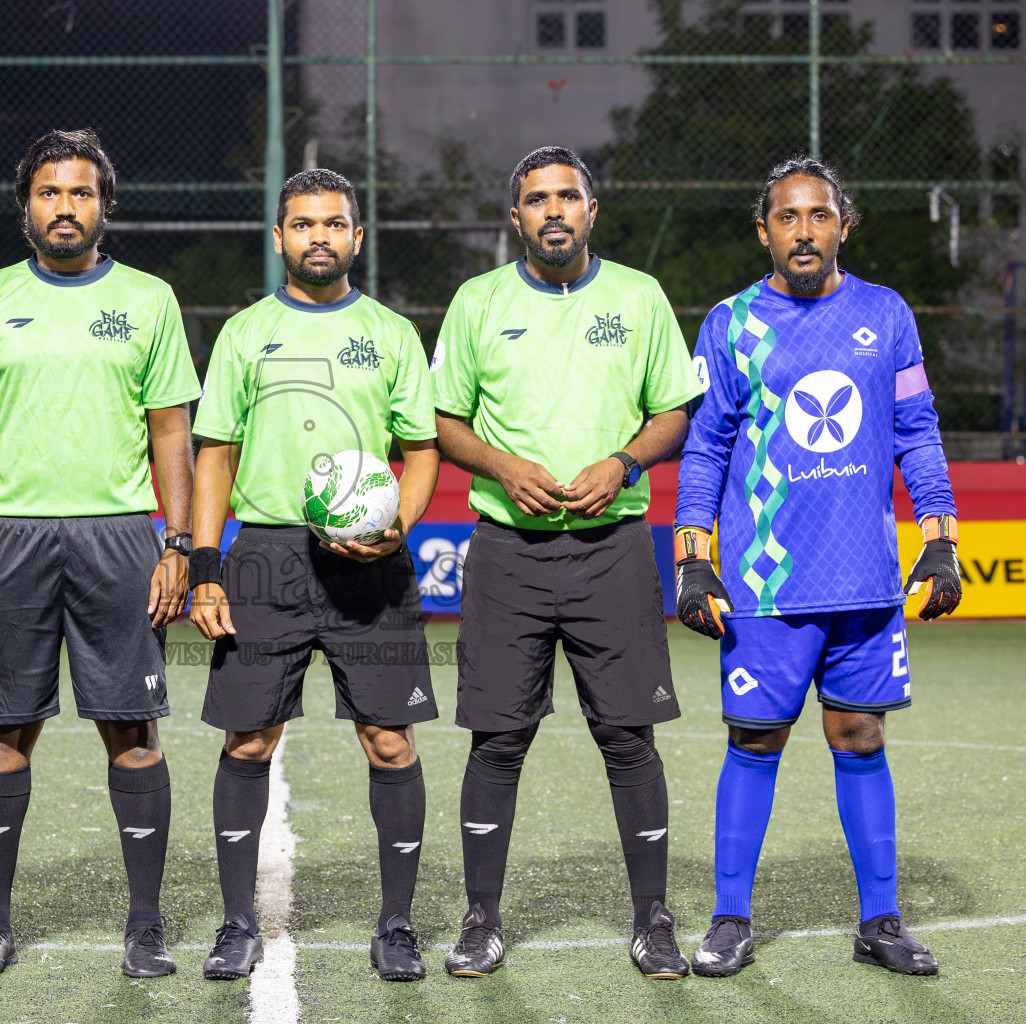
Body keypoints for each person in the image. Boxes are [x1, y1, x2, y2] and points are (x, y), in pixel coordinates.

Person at [674, 156, 962, 978]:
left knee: (860, 733)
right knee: (755, 739)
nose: (805, 231)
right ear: (764, 230)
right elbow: (706, 447)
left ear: (845, 224)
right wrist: (696, 559)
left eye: (820, 215)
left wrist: (941, 540)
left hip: (867, 579)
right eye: (788, 217)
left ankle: (881, 921)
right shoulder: (732, 323)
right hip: (767, 582)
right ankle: (731, 919)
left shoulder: (887, 312)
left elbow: (917, 430)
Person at [430, 146, 702, 980]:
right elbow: (443, 420)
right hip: (508, 552)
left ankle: (652, 919)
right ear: (516, 217)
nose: (553, 212)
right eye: (536, 201)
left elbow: (675, 413)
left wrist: (622, 463)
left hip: (613, 551)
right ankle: (481, 918)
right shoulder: (478, 302)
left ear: (592, 210)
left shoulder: (639, 295)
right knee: (497, 740)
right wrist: (502, 467)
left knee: (628, 738)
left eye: (567, 198)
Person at [0, 128, 198, 981]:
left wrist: (179, 544)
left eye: (81, 193)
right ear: (26, 209)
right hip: (9, 534)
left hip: (120, 532)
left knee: (133, 726)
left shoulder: (151, 301)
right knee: (3, 730)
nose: (65, 207)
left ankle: (147, 926)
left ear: (104, 207)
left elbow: (173, 436)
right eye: (50, 193)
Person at [189, 168, 440, 983]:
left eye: (334, 224)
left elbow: (422, 448)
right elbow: (215, 451)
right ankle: (235, 924)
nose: (319, 237)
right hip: (265, 553)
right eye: (303, 225)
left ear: (356, 237)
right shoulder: (243, 334)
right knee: (250, 738)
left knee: (389, 740)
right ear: (280, 239)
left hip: (370, 562)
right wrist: (205, 563)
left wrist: (395, 524)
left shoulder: (393, 333)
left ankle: (396, 925)